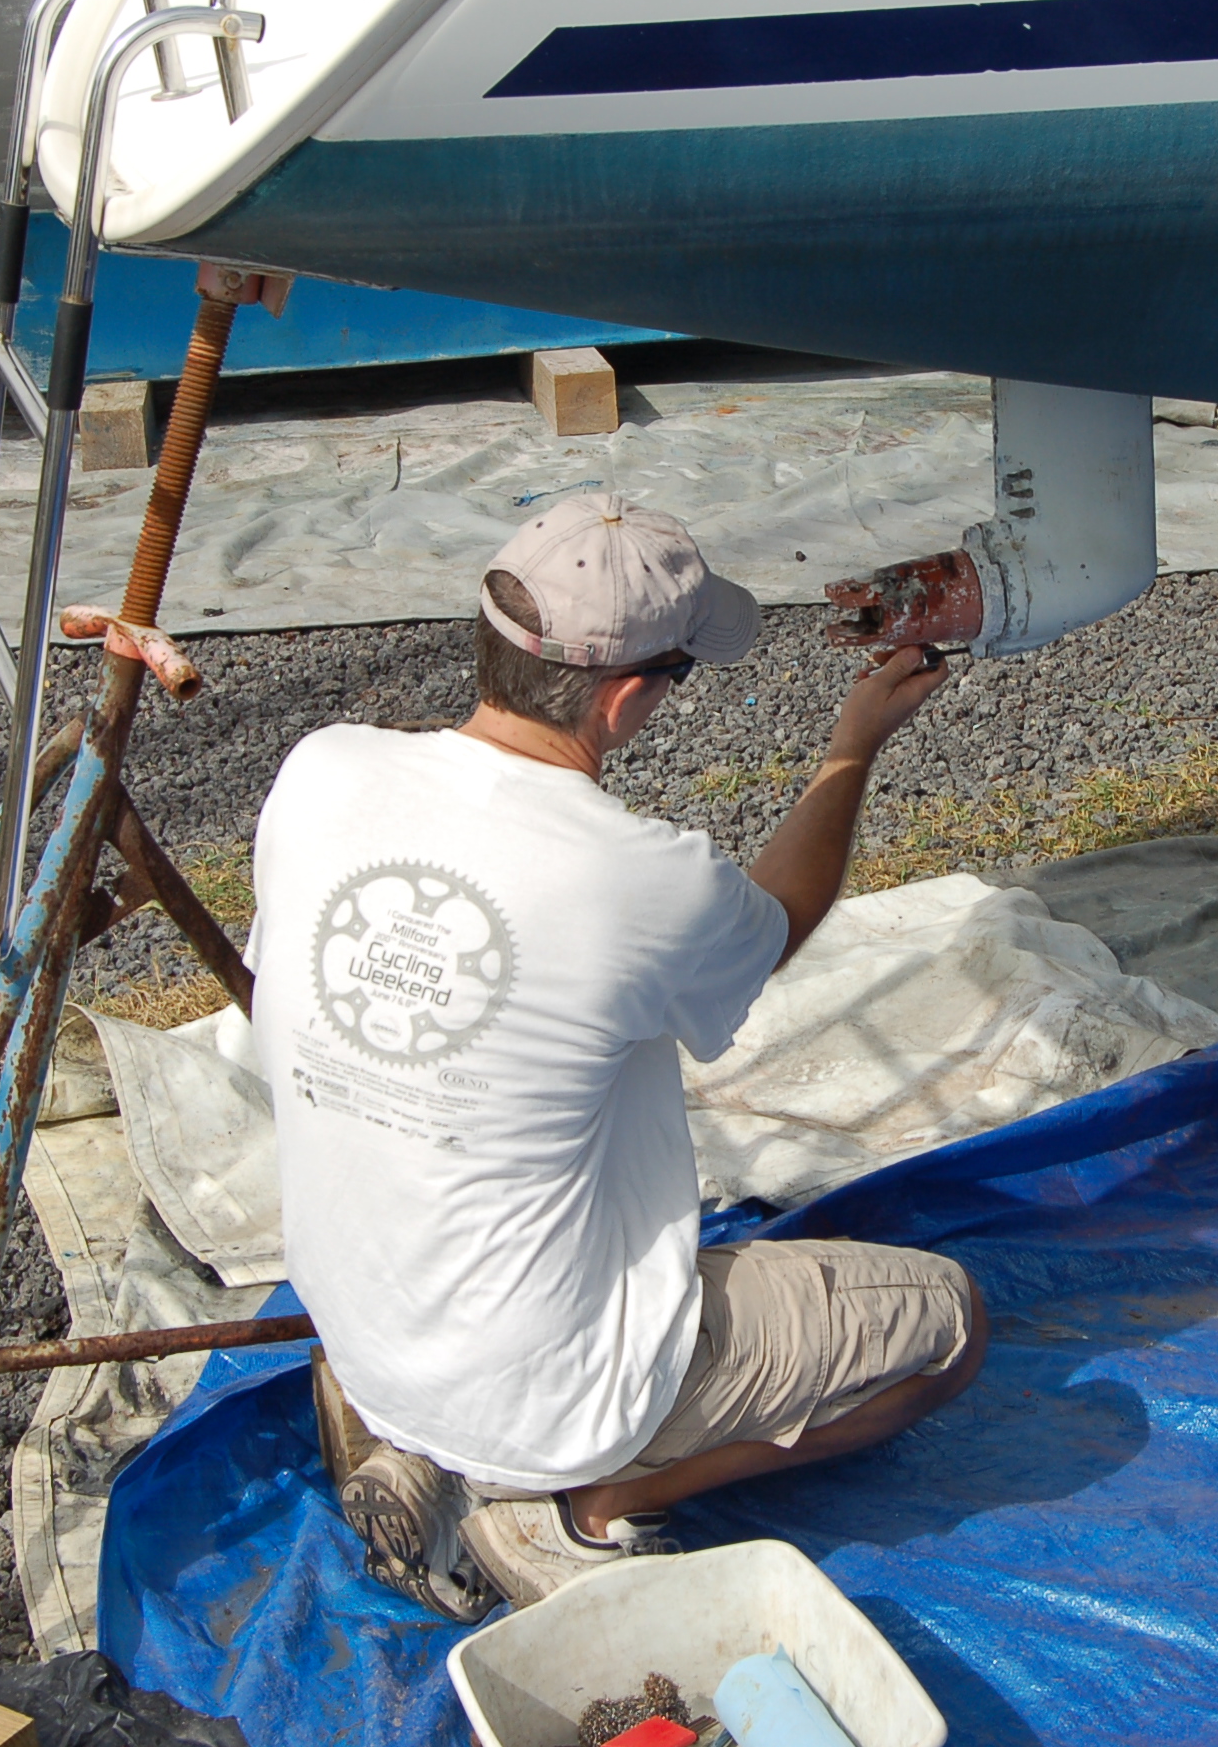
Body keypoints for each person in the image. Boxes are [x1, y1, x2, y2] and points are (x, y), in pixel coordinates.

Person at [246, 493, 987, 1617]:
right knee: (948, 1326)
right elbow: (778, 918)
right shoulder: (638, 878)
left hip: (366, 1332)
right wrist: (852, 748)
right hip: (547, 1390)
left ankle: (422, 1448)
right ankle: (575, 1504)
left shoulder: (321, 769)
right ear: (626, 696)